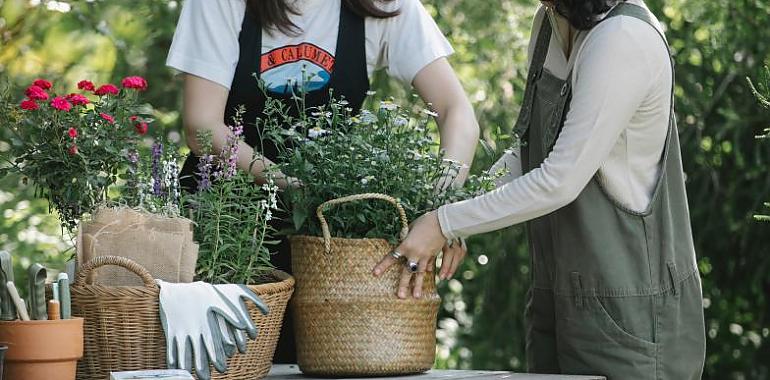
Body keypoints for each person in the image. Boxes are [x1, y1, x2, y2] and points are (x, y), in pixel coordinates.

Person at [373, 0, 707, 378]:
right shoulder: (550, 21)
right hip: (558, 298)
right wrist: (455, 213)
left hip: (632, 314)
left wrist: (445, 222)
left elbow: (558, 181)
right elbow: (529, 152)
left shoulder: (623, 38)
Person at [166, 0, 479, 363]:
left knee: (336, 362)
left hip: (328, 239)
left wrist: (441, 210)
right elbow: (202, 125)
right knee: (228, 363)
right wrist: (297, 187)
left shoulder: (384, 5)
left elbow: (457, 112)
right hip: (225, 225)